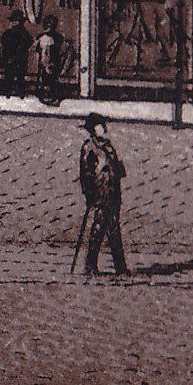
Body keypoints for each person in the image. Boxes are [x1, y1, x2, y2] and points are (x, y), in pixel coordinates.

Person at [78, 114, 129, 277]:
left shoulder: (108, 145)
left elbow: (117, 167)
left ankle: (120, 267)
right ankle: (90, 265)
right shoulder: (89, 147)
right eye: (99, 126)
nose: (102, 129)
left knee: (114, 230)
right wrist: (89, 194)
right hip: (100, 193)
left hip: (113, 192)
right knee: (99, 229)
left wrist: (118, 169)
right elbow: (86, 173)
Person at [0, 8, 32, 99]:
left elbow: (4, 46)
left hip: (12, 58)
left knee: (10, 76)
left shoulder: (9, 33)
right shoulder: (24, 34)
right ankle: (19, 93)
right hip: (19, 58)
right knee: (19, 76)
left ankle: (8, 93)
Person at [35, 12, 63, 107]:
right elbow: (44, 53)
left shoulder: (46, 38)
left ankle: (49, 95)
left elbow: (46, 53)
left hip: (49, 63)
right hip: (48, 63)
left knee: (49, 79)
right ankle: (49, 96)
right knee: (49, 79)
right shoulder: (47, 38)